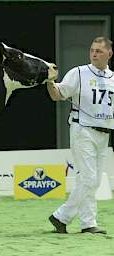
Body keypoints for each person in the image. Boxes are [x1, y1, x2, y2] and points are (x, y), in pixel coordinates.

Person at [47, 36, 114, 234]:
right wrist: (50, 81)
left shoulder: (113, 78)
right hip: (82, 129)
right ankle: (61, 216)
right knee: (89, 178)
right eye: (92, 50)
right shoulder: (78, 73)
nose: (94, 53)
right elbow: (58, 94)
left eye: (99, 51)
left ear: (109, 54)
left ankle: (88, 223)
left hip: (104, 133)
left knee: (92, 180)